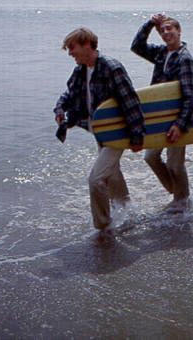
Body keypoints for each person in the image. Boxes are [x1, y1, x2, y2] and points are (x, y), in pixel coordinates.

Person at [54, 27, 145, 233]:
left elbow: (130, 102)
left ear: (87, 45)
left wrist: (137, 135)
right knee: (112, 174)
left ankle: (103, 226)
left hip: (118, 132)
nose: (70, 53)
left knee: (96, 179)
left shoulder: (111, 68)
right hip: (99, 132)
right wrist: (60, 109)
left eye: (72, 48)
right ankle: (128, 212)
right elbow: (69, 93)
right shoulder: (81, 70)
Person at [131, 14, 193, 212]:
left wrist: (180, 124)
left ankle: (183, 202)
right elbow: (137, 46)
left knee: (176, 164)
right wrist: (150, 24)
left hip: (178, 119)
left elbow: (191, 96)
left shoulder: (186, 59)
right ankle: (178, 194)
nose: (166, 33)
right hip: (160, 117)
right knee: (151, 157)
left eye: (170, 29)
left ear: (179, 31)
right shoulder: (162, 53)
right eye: (163, 30)